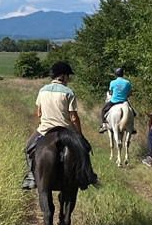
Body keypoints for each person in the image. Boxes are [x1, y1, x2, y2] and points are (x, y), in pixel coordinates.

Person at [21, 61, 97, 189]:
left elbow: (39, 113)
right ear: (64, 76)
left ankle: (31, 176)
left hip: (45, 129)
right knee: (84, 148)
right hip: (66, 129)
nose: (69, 79)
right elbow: (73, 117)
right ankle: (86, 176)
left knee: (28, 148)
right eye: (68, 76)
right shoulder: (68, 92)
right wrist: (80, 134)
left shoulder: (42, 90)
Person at [99, 67, 133, 133]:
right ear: (123, 74)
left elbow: (110, 92)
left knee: (103, 110)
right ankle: (132, 127)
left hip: (114, 101)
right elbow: (129, 93)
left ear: (116, 74)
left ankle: (104, 125)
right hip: (124, 101)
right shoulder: (127, 82)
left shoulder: (112, 82)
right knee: (133, 113)